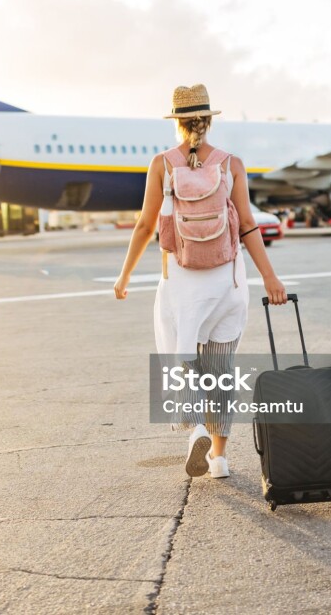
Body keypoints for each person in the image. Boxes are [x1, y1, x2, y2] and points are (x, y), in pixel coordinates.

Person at [114, 84, 287, 480]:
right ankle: (220, 460)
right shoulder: (231, 164)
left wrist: (124, 275)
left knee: (185, 362)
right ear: (208, 122)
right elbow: (246, 225)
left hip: (180, 283)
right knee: (221, 369)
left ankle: (194, 429)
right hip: (227, 283)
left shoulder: (163, 164)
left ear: (177, 124)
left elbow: (145, 225)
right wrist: (270, 278)